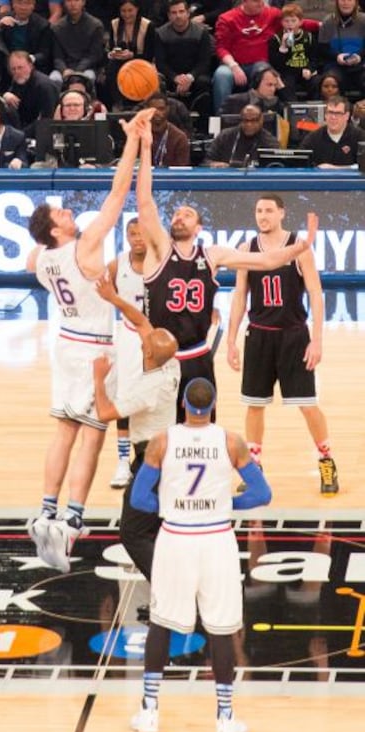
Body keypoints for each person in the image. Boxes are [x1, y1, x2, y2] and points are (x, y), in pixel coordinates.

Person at [26, 106, 154, 574]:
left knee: (62, 429)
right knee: (91, 437)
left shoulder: (41, 259)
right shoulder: (81, 246)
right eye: (61, 212)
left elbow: (31, 256)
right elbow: (119, 193)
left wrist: (43, 241)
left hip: (64, 343)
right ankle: (72, 522)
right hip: (98, 345)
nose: (69, 211)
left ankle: (45, 510)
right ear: (57, 229)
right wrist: (134, 143)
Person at [136, 118, 319, 421]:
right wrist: (145, 148)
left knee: (202, 428)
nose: (180, 216)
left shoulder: (212, 255)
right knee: (156, 432)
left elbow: (266, 261)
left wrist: (301, 246)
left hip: (198, 356)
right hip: (161, 355)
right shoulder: (159, 251)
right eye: (177, 213)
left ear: (199, 227)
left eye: (188, 214)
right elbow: (144, 202)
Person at [129, 377, 272, 732]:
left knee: (161, 623)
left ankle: (149, 711)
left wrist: (170, 507)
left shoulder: (162, 441)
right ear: (212, 405)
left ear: (183, 405)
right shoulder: (231, 441)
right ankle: (225, 720)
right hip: (216, 540)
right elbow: (262, 493)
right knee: (221, 629)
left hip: (175, 538)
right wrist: (229, 505)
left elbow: (139, 500)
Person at [226, 192, 339, 496]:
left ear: (281, 214)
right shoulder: (246, 249)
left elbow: (316, 294)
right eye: (258, 211)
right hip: (259, 335)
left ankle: (326, 460)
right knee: (254, 405)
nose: (262, 216)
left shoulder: (299, 247)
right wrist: (230, 340)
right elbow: (239, 297)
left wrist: (316, 340)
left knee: (307, 404)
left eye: (268, 210)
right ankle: (255, 467)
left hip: (293, 335)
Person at [93, 273, 180, 581]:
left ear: (146, 352)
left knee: (131, 533)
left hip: (152, 463)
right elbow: (142, 322)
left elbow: (105, 413)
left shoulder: (146, 390)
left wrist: (99, 378)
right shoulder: (171, 363)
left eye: (145, 342)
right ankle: (171, 585)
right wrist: (114, 299)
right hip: (168, 456)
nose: (144, 336)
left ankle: (167, 588)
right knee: (157, 527)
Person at [107, 216, 146, 489]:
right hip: (128, 337)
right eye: (132, 233)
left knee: (156, 400)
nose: (138, 238)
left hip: (156, 338)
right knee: (124, 399)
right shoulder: (117, 264)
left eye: (142, 233)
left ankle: (151, 458)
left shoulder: (163, 262)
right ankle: (123, 461)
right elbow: (100, 295)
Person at [155, 0, 213, 121]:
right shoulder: (160, 34)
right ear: (169, 15)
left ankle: (205, 129)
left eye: (181, 12)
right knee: (158, 83)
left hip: (195, 76)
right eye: (174, 12)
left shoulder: (202, 32)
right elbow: (160, 63)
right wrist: (175, 78)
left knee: (204, 83)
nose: (178, 16)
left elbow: (205, 61)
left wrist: (189, 78)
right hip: (171, 76)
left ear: (188, 13)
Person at [0, 0, 53, 90]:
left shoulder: (42, 25)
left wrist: (27, 60)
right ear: (13, 4)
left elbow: (44, 54)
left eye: (27, 3)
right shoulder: (1, 20)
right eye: (19, 3)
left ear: (33, 6)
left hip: (31, 68)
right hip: (5, 66)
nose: (23, 7)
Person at [105, 0, 155, 110]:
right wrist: (113, 54)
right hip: (119, 63)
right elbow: (111, 48)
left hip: (142, 63)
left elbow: (149, 55)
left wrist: (132, 56)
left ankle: (142, 103)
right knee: (111, 67)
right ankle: (117, 103)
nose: (127, 14)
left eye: (130, 10)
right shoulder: (114, 24)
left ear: (137, 9)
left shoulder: (147, 25)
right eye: (123, 11)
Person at [268, 3, 319, 102]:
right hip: (288, 72)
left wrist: (309, 69)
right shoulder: (276, 39)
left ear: (300, 22)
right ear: (282, 22)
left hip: (304, 70)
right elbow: (276, 64)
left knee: (316, 82)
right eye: (286, 21)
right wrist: (283, 47)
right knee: (285, 84)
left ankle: (313, 108)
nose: (290, 24)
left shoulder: (308, 37)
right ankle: (293, 108)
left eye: (293, 21)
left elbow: (314, 58)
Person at [50, 0, 105, 90]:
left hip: (87, 67)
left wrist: (77, 71)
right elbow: (57, 56)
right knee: (54, 79)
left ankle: (86, 103)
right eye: (69, 1)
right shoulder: (57, 27)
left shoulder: (95, 25)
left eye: (76, 0)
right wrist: (64, 70)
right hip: (65, 68)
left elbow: (94, 55)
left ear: (83, 2)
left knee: (88, 77)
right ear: (64, 3)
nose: (73, 4)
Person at [2, 49, 59, 136]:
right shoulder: (18, 81)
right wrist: (6, 96)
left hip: (42, 134)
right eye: (13, 69)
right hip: (22, 130)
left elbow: (47, 120)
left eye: (20, 68)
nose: (17, 72)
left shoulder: (45, 86)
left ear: (30, 66)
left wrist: (20, 135)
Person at [300, 94, 365, 168]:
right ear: (325, 115)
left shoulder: (359, 136)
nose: (333, 117)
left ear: (346, 116)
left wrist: (336, 169)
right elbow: (300, 163)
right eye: (330, 112)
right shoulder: (313, 137)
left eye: (338, 113)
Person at [206, 103, 279, 168]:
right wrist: (213, 164)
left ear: (261, 120)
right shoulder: (225, 136)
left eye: (254, 120)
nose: (249, 124)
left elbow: (275, 167)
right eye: (245, 120)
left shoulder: (270, 142)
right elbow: (206, 161)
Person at [317, 0, 365, 97]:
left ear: (355, 3)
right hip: (335, 65)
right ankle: (333, 110)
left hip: (361, 65)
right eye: (342, 0)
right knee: (329, 83)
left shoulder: (363, 20)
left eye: (349, 0)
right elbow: (322, 48)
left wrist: (359, 56)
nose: (346, 3)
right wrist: (337, 57)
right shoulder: (328, 21)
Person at [143, 91, 191, 166]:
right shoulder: (137, 135)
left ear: (167, 109)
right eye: (153, 109)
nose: (157, 113)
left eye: (161, 109)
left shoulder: (179, 138)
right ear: (146, 110)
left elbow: (182, 170)